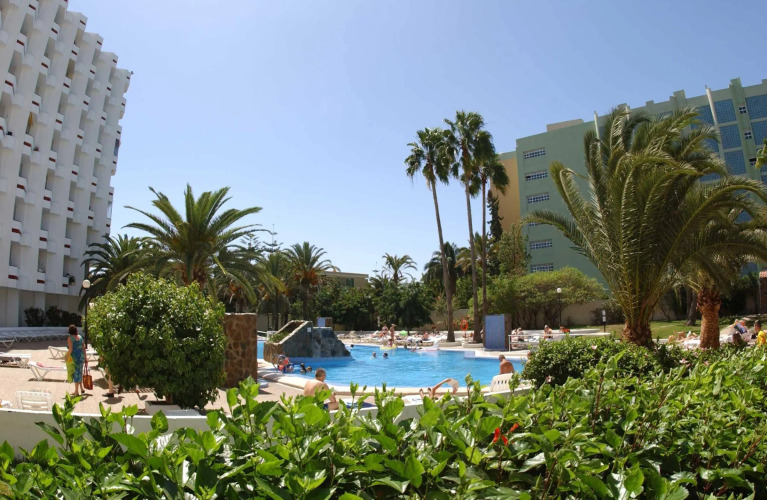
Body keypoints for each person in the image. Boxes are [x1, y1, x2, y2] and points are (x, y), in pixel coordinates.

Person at [66, 325, 86, 396]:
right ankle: (81, 388)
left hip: (75, 358)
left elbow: (70, 349)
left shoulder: (70, 338)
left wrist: (66, 356)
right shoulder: (80, 337)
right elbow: (83, 348)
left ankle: (76, 391)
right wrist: (85, 357)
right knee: (79, 372)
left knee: (76, 373)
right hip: (81, 357)